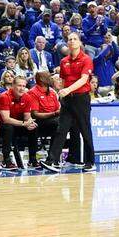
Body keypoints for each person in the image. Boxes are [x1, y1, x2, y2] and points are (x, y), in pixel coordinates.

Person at [41, 32, 95, 172]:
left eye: (74, 39)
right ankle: (51, 160)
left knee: (85, 129)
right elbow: (63, 80)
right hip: (67, 99)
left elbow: (84, 79)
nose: (71, 41)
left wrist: (68, 90)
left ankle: (90, 161)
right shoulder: (64, 61)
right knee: (61, 129)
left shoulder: (86, 59)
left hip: (81, 98)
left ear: (79, 42)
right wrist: (61, 90)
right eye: (69, 39)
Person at [0, 75, 36, 170]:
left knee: (33, 128)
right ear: (12, 85)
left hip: (16, 123)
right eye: (19, 85)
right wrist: (24, 123)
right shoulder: (4, 97)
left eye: (24, 86)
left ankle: (33, 159)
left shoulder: (27, 97)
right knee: (9, 127)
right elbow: (6, 119)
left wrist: (29, 123)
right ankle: (6, 160)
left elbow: (27, 117)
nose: (22, 88)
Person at [25, 71, 61, 166]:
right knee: (58, 124)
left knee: (65, 124)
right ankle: (33, 159)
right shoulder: (33, 92)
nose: (51, 78)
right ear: (41, 80)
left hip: (53, 120)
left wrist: (58, 113)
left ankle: (53, 158)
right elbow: (35, 114)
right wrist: (54, 113)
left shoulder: (52, 92)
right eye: (49, 76)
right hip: (39, 121)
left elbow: (58, 108)